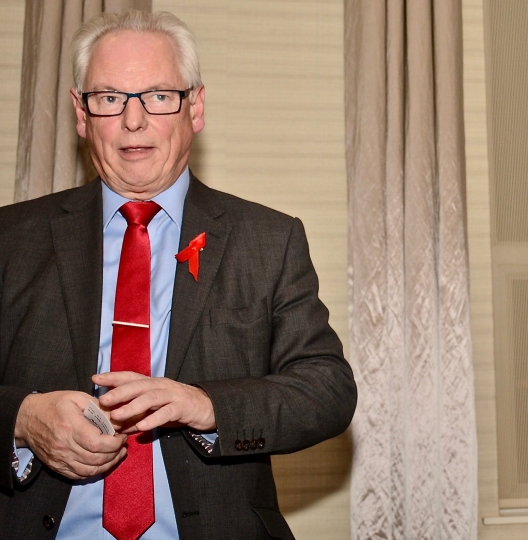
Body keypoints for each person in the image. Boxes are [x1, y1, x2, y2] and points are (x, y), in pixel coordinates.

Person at [0, 10, 356, 540]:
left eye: (159, 96)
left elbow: (327, 390)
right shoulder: (12, 237)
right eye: (109, 98)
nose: (133, 121)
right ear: (80, 113)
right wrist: (23, 420)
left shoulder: (268, 239)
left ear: (196, 107)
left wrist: (208, 405)